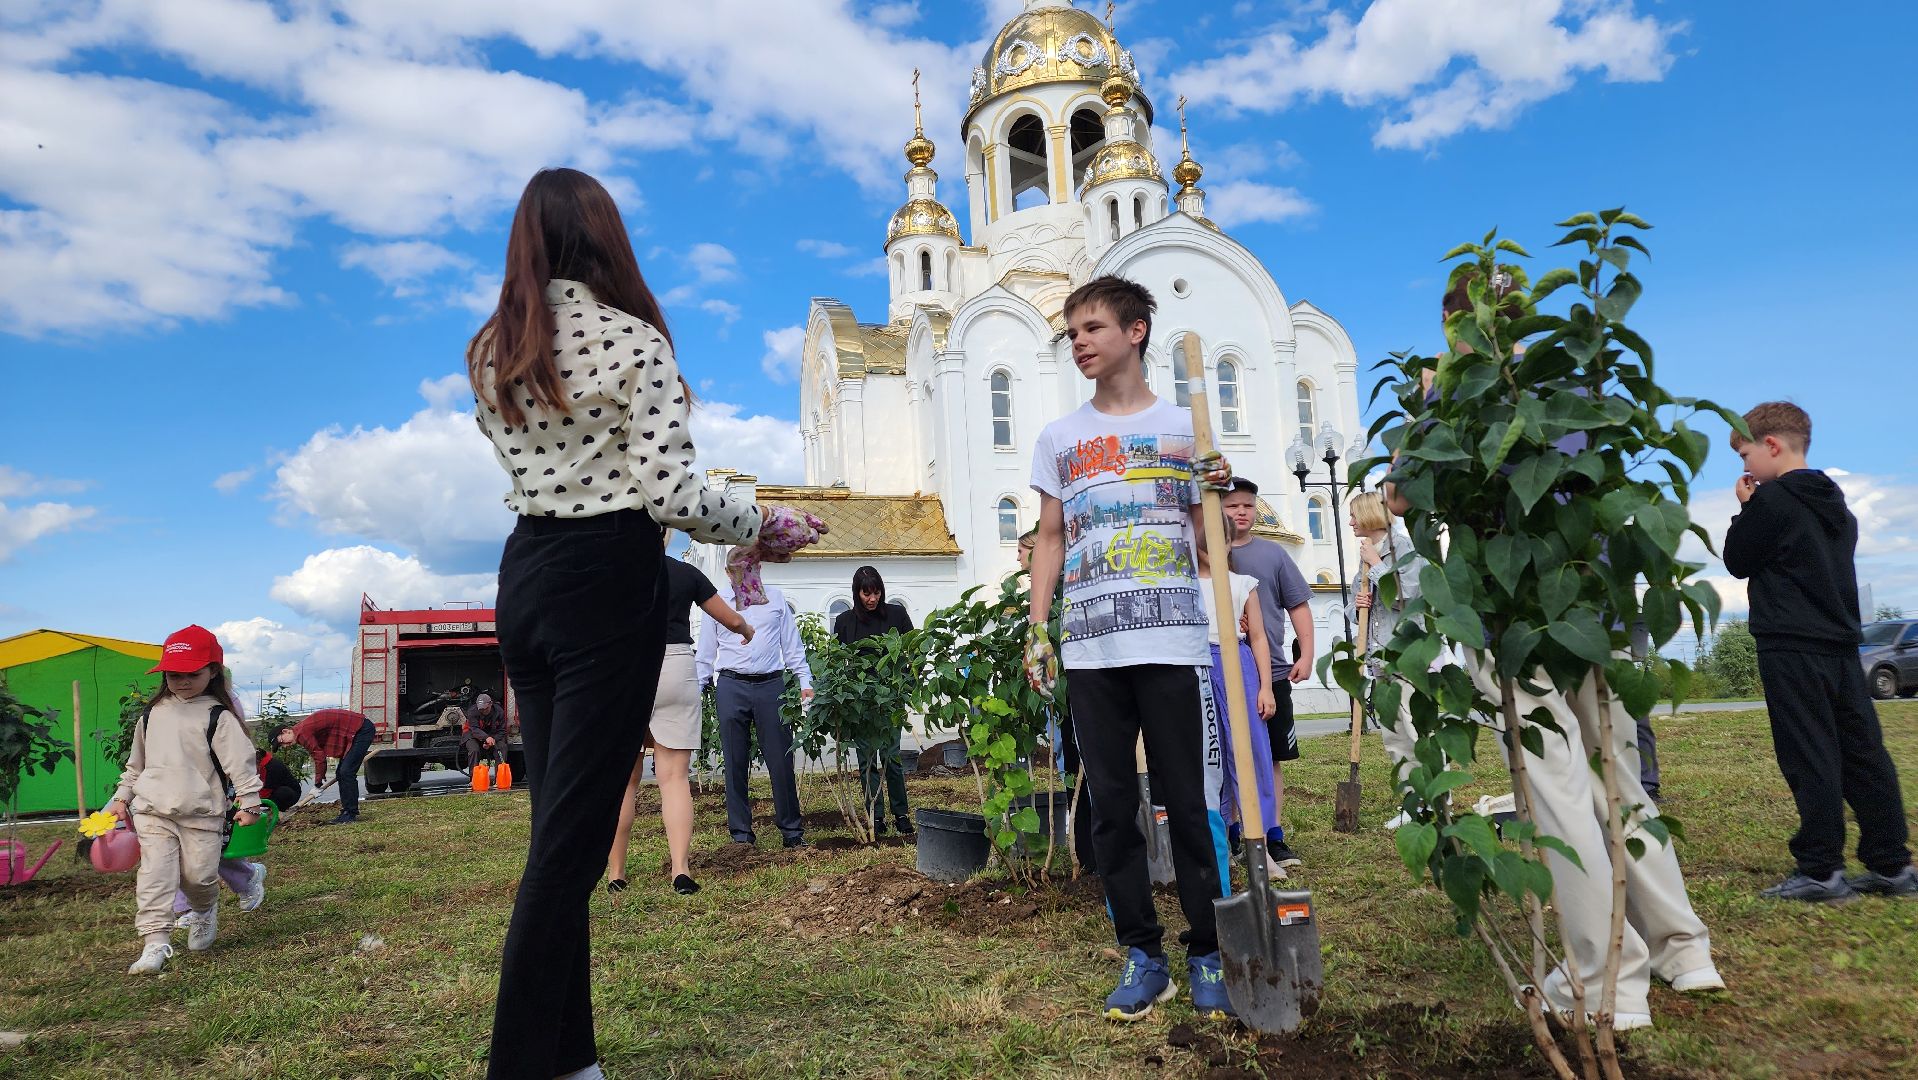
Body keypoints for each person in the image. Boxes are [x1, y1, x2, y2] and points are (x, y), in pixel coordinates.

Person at [467, 167, 793, 1080]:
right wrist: (760, 521)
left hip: (525, 573)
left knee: (558, 833)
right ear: (606, 237)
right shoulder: (631, 341)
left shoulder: (494, 349)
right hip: (608, 574)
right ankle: (522, 1065)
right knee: (566, 850)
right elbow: (670, 492)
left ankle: (571, 1059)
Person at [1414, 269, 1720, 1031]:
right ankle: (1685, 951)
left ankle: (1606, 982)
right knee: (1620, 783)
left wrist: (1428, 407)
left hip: (1518, 621)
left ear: (1458, 326)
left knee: (1558, 795)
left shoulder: (1457, 401)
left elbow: (1405, 497)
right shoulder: (1574, 382)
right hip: (1595, 613)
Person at [1025, 275, 1235, 1022]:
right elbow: (1050, 539)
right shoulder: (1060, 439)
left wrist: (1218, 492)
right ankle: (1143, 954)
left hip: (1173, 640)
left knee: (1187, 800)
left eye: (1091, 328)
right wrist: (1037, 625)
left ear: (1135, 331)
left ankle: (1208, 951)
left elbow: (1223, 539)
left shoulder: (1188, 429)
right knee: (1111, 810)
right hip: (1090, 650)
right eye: (1072, 332)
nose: (1078, 341)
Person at [1724, 401, 1914, 901]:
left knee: (1810, 754)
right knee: (1863, 753)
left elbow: (1738, 560)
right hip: (1841, 643)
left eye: (1745, 453)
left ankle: (1821, 870)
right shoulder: (1838, 506)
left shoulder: (1772, 501)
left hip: (1790, 644)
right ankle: (1893, 865)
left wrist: (1746, 508)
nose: (1744, 468)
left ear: (1771, 445)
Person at [105, 625, 265, 975]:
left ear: (213, 672)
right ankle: (154, 943)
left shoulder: (218, 717)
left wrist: (249, 803)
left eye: (192, 673)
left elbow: (241, 764)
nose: (182, 681)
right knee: (155, 875)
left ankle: (205, 910)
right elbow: (135, 766)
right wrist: (120, 799)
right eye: (174, 674)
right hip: (152, 811)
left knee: (199, 878)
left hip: (201, 813)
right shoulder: (151, 715)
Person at [607, 537, 754, 896]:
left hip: (625, 669)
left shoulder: (612, 571)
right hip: (674, 666)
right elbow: (730, 618)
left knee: (624, 782)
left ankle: (616, 875)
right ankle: (680, 871)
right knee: (674, 779)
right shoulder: (686, 573)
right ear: (665, 535)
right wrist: (746, 630)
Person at [1220, 477, 1312, 866]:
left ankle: (1274, 834)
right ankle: (1234, 832)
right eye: (1232, 506)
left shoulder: (1273, 555)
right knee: (1226, 756)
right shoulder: (1210, 556)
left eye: (1248, 505)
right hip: (1222, 674)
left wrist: (1306, 654)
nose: (1241, 512)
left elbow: (1299, 606)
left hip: (1270, 672)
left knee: (1270, 756)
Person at [1195, 515, 1285, 878]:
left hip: (1239, 665)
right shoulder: (1185, 585)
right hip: (1198, 667)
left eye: (1221, 540)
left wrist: (1265, 686)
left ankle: (1260, 845)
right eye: (1205, 542)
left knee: (1250, 753)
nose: (1214, 548)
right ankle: (1222, 845)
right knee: (1210, 756)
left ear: (1230, 543)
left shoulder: (1243, 584)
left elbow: (1259, 637)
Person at [697, 578, 814, 848]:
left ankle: (792, 831)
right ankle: (741, 835)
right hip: (730, 684)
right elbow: (705, 652)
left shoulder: (775, 597)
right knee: (734, 760)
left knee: (781, 759)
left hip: (771, 685)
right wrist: (696, 689)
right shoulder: (717, 601)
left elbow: (792, 645)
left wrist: (804, 680)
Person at [1345, 491, 1427, 791]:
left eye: (1355, 515)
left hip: (1406, 657)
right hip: (1380, 658)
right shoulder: (1368, 552)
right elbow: (1356, 610)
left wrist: (1377, 564)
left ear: (1369, 515)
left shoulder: (1402, 549)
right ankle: (1412, 801)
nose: (1351, 521)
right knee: (1394, 734)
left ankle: (1434, 800)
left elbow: (1408, 598)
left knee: (1415, 728)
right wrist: (1358, 603)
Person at [832, 566, 916, 835]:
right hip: (861, 702)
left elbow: (911, 650)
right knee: (866, 759)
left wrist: (906, 684)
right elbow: (836, 661)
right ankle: (875, 816)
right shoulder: (845, 622)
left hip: (890, 699)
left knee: (892, 757)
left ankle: (901, 814)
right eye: (866, 593)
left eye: (876, 592)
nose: (872, 598)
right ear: (857, 593)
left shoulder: (896, 615)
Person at [276, 708, 375, 826]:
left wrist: (318, 784)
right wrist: (319, 780)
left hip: (361, 729)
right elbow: (319, 755)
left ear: (286, 731)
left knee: (346, 772)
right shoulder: (301, 730)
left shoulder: (302, 733)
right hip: (357, 729)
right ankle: (347, 811)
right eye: (281, 745)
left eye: (282, 741)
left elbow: (319, 756)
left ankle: (350, 813)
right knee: (341, 773)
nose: (285, 746)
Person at [461, 693, 510, 773]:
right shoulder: (472, 711)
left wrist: (492, 740)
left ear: (491, 704)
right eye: (481, 709)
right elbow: (474, 729)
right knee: (474, 750)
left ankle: (499, 777)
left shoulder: (499, 711)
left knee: (502, 747)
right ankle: (474, 778)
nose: (483, 711)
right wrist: (486, 738)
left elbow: (502, 730)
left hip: (493, 735)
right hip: (473, 735)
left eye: (486, 709)